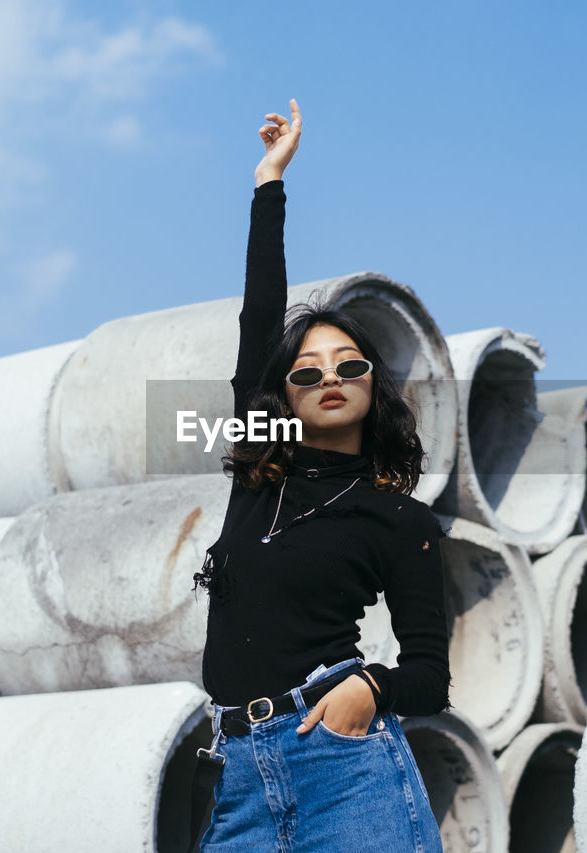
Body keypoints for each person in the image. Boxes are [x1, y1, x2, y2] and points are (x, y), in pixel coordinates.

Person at [189, 98, 451, 852]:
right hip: (238, 772)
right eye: (308, 369)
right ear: (284, 394)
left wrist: (371, 687)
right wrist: (270, 181)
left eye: (350, 365)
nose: (329, 377)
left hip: (344, 766)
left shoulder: (399, 520)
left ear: (374, 387)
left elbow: (430, 674)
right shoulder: (258, 474)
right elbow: (258, 319)